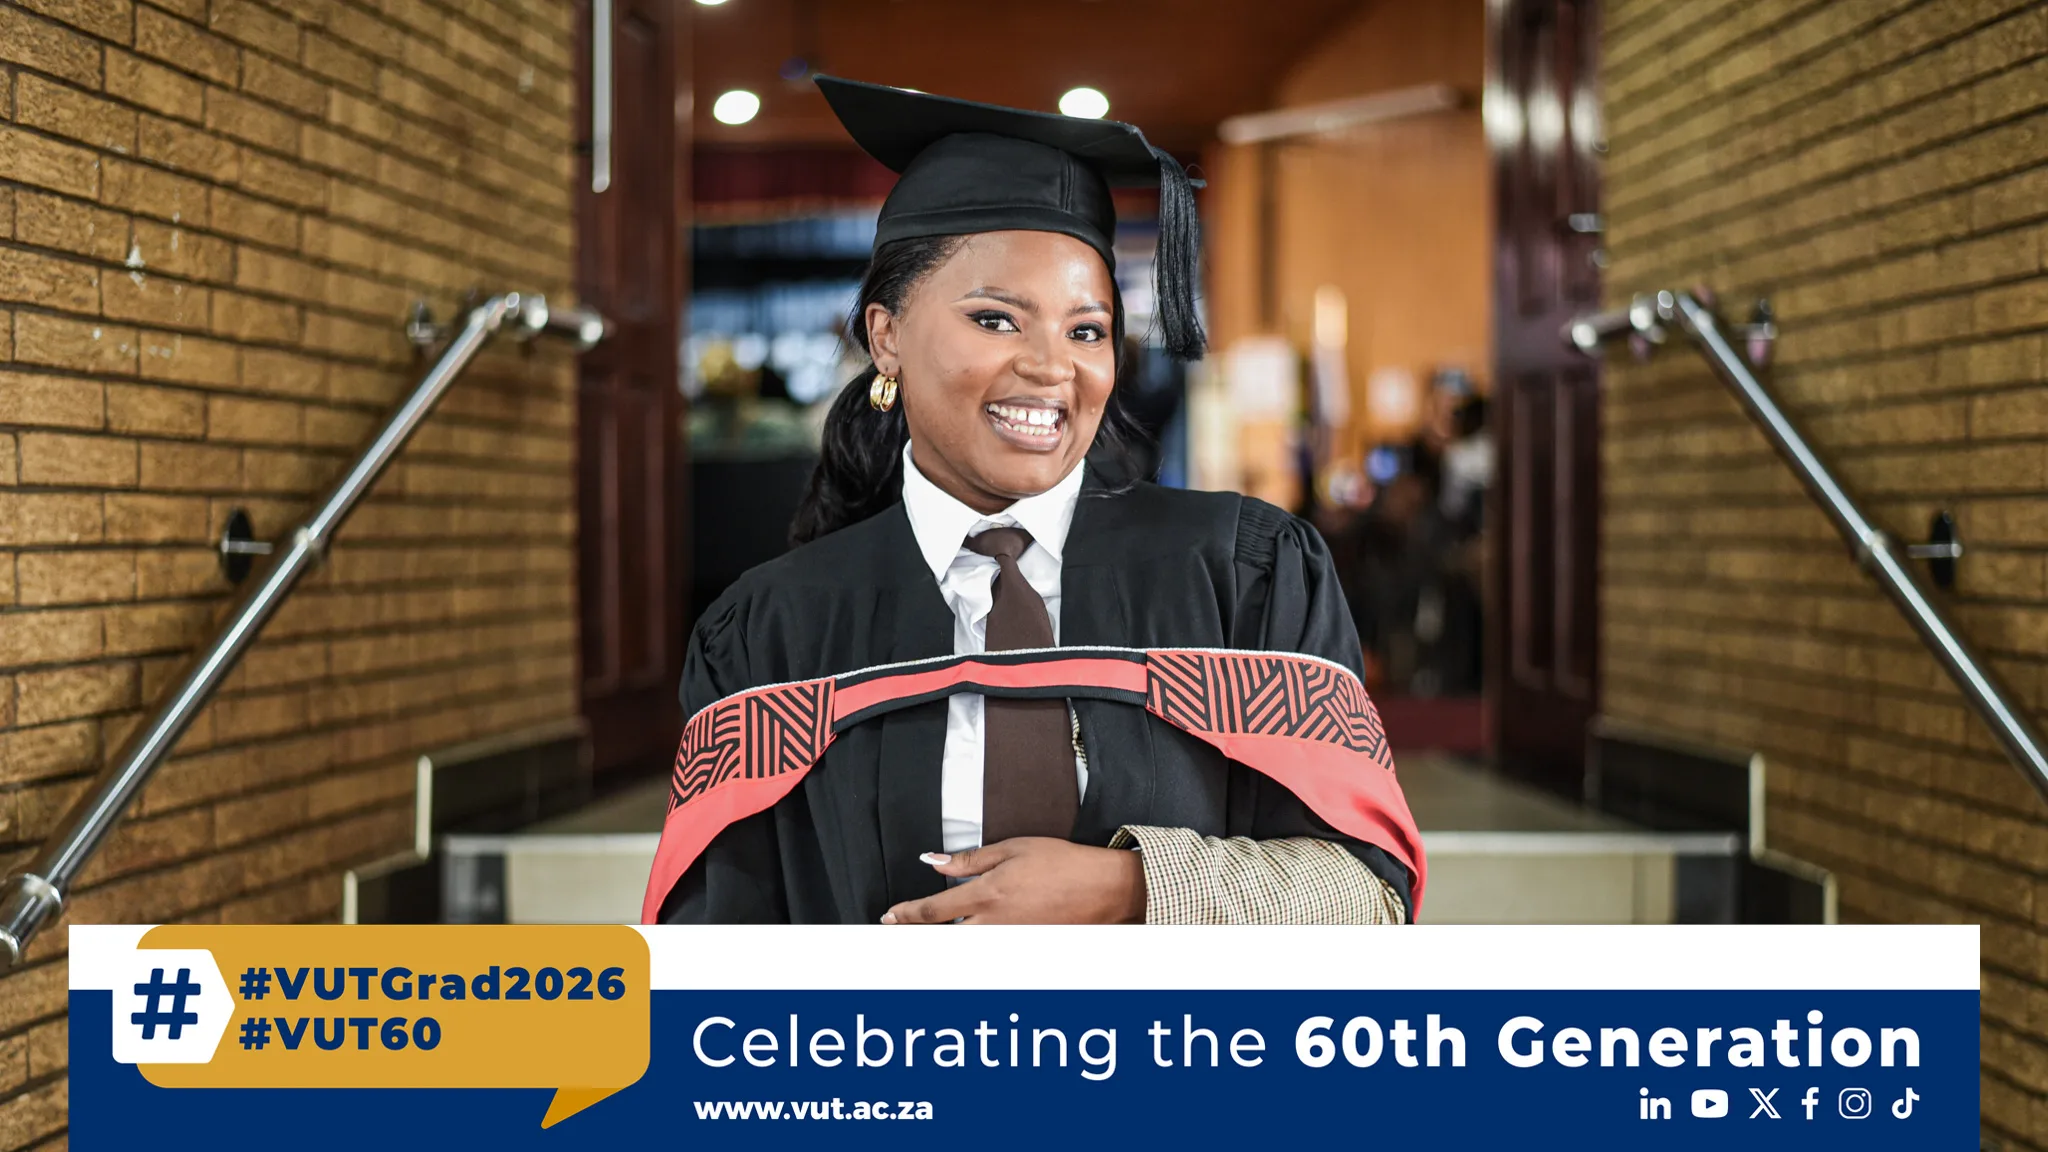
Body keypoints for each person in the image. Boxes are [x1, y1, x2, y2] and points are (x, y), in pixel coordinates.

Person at [642, 77, 1424, 925]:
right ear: (885, 336)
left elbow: (1367, 896)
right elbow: (715, 949)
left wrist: (1130, 889)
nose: (1053, 366)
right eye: (996, 320)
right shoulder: (772, 632)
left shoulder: (1244, 577)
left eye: (1087, 331)